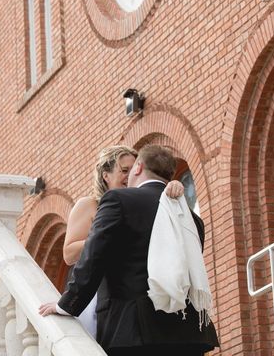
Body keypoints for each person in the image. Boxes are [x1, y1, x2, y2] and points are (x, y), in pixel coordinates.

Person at [40, 144, 218, 355]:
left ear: (139, 167)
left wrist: (67, 304)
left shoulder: (118, 201)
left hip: (133, 330)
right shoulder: (193, 218)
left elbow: (93, 257)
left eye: (130, 168)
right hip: (188, 333)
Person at [62, 145, 184, 339]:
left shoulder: (142, 204)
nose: (129, 175)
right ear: (105, 175)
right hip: (99, 290)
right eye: (123, 170)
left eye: (133, 169)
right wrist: (105, 237)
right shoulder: (89, 205)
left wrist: (172, 187)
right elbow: (69, 253)